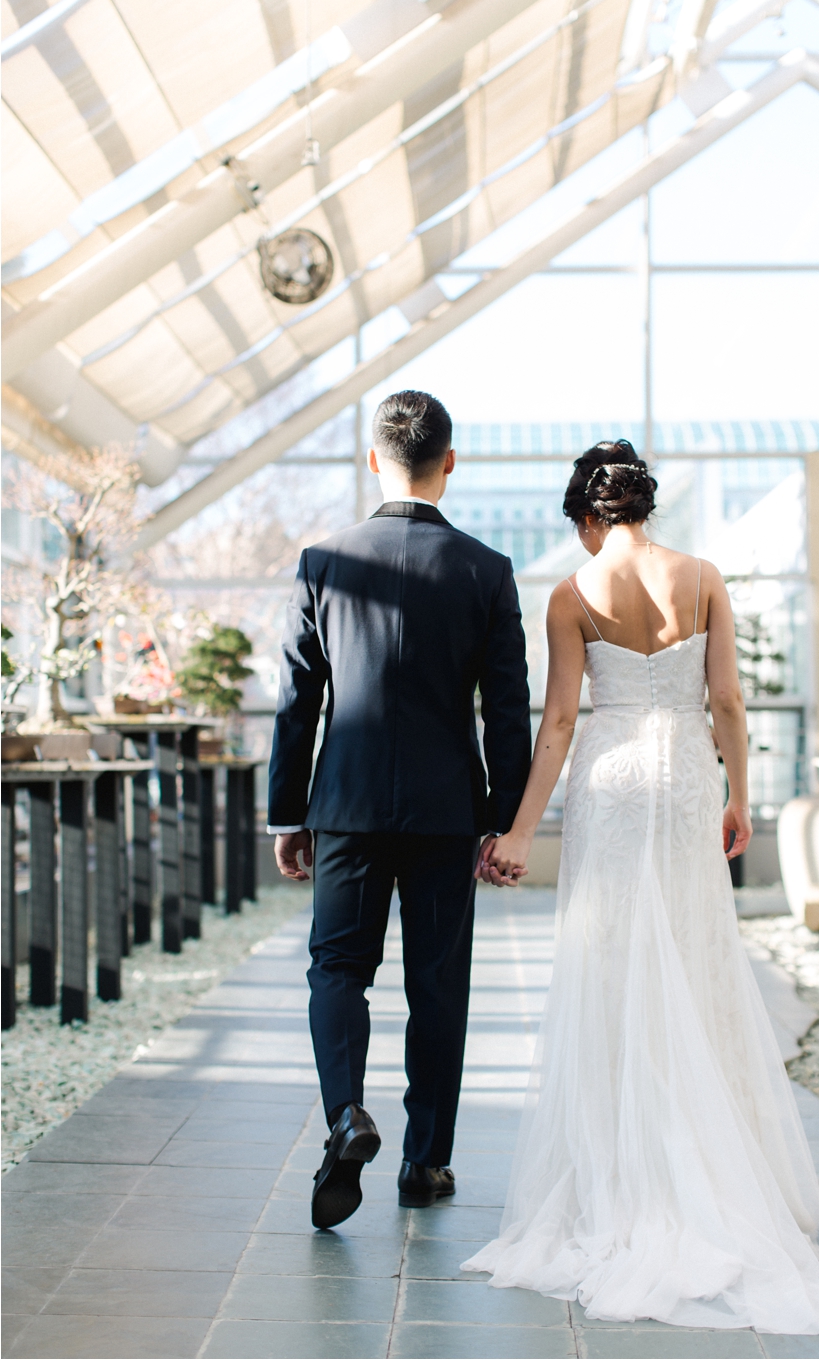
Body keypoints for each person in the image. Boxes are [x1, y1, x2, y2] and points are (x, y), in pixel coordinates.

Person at [462, 441, 819, 1336]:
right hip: (686, 774)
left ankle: (625, 1167)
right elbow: (725, 699)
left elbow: (563, 718)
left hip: (611, 779)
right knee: (691, 958)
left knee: (610, 962)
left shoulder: (573, 594)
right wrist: (740, 796)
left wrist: (525, 830)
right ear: (643, 507)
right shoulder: (703, 576)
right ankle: (716, 1167)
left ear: (585, 516)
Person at [268, 390, 532, 1229]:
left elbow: (295, 704)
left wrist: (287, 814)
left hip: (343, 805)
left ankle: (346, 1114)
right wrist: (503, 816)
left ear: (372, 458)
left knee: (338, 969)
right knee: (438, 985)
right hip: (447, 810)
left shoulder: (323, 560)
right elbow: (508, 709)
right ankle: (425, 1163)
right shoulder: (487, 570)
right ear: (449, 462)